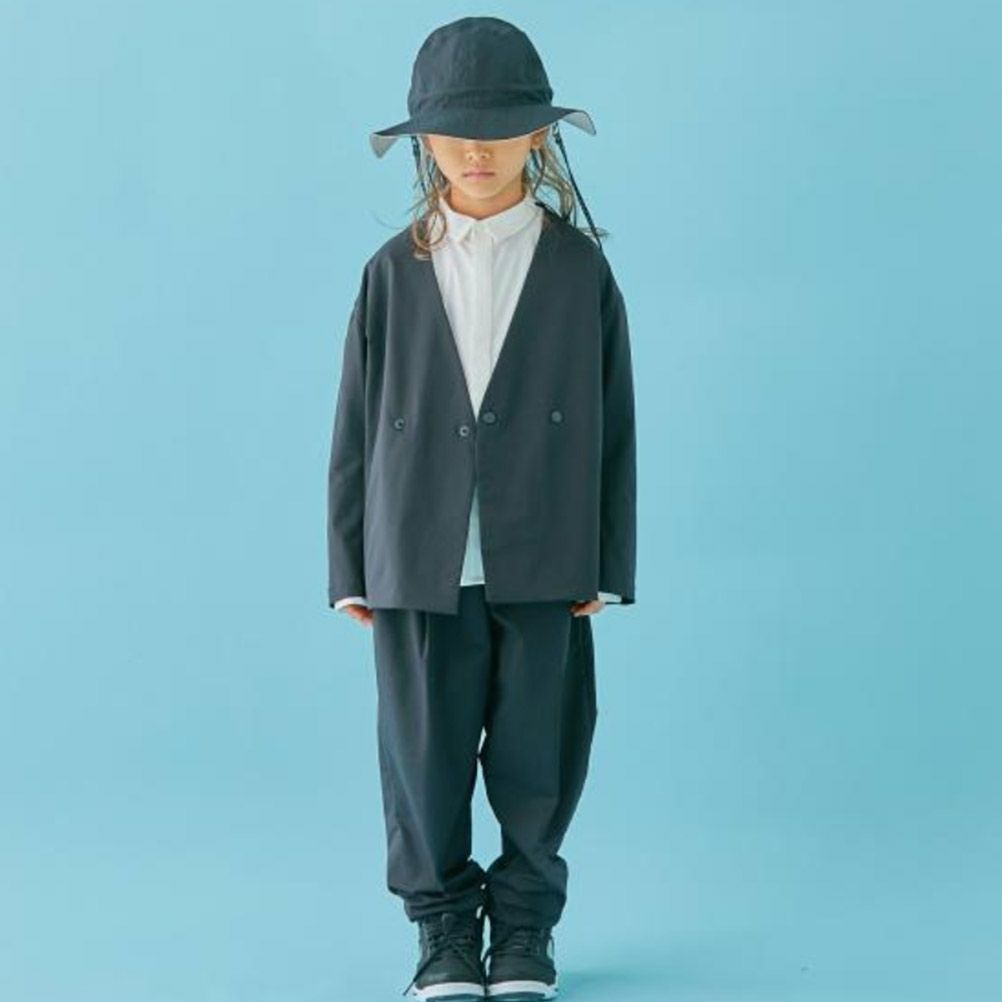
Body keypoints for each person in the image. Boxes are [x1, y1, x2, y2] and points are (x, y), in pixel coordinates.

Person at [326, 16, 636, 1001]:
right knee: (422, 759)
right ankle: (444, 931)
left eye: (500, 131)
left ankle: (525, 931)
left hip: (545, 548)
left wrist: (608, 564)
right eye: (456, 133)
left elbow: (616, 421)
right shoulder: (391, 272)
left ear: (538, 135)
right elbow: (356, 424)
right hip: (416, 555)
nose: (477, 152)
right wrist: (350, 566)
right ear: (424, 140)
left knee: (542, 755)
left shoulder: (579, 269)